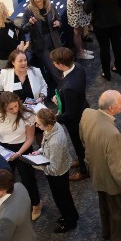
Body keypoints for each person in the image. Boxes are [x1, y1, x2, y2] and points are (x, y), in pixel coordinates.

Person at [79, 90, 121, 241]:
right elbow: (116, 167)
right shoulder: (113, 134)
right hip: (112, 180)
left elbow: (82, 138)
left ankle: (107, 232)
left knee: (103, 204)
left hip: (95, 172)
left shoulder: (87, 114)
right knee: (120, 211)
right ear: (112, 108)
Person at [0, 92, 41, 220]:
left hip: (23, 148)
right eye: (11, 108)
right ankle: (10, 206)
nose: (15, 110)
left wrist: (19, 153)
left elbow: (30, 138)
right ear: (3, 108)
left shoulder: (27, 114)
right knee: (5, 180)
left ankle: (36, 204)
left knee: (28, 179)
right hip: (4, 149)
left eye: (16, 106)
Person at [31, 107, 79, 233]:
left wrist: (35, 164)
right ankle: (72, 215)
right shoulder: (54, 125)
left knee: (61, 198)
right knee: (65, 195)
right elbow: (45, 145)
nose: (36, 125)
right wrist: (40, 151)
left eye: (39, 124)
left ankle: (70, 222)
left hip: (57, 173)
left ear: (47, 124)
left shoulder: (56, 142)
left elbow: (53, 168)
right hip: (60, 166)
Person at [49, 47, 90, 182]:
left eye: (54, 62)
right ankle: (81, 159)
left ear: (61, 64)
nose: (53, 64)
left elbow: (70, 115)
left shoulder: (69, 88)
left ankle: (85, 170)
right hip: (82, 107)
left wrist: (54, 119)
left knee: (78, 143)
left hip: (76, 120)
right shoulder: (77, 67)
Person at [82, 0, 121, 80]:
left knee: (104, 48)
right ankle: (120, 67)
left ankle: (106, 73)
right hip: (117, 21)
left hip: (101, 25)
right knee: (117, 44)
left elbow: (87, 9)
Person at [22, 0, 61, 89]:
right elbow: (24, 29)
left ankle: (60, 88)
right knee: (53, 69)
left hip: (54, 41)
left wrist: (58, 23)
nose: (38, 0)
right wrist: (30, 23)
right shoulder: (29, 11)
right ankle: (62, 90)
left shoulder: (50, 6)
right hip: (41, 45)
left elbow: (58, 19)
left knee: (60, 66)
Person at [0, 1, 26, 69]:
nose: (7, 11)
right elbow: (12, 48)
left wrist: (22, 42)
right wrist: (22, 45)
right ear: (1, 13)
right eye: (4, 9)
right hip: (8, 62)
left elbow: (20, 31)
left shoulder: (7, 23)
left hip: (16, 55)